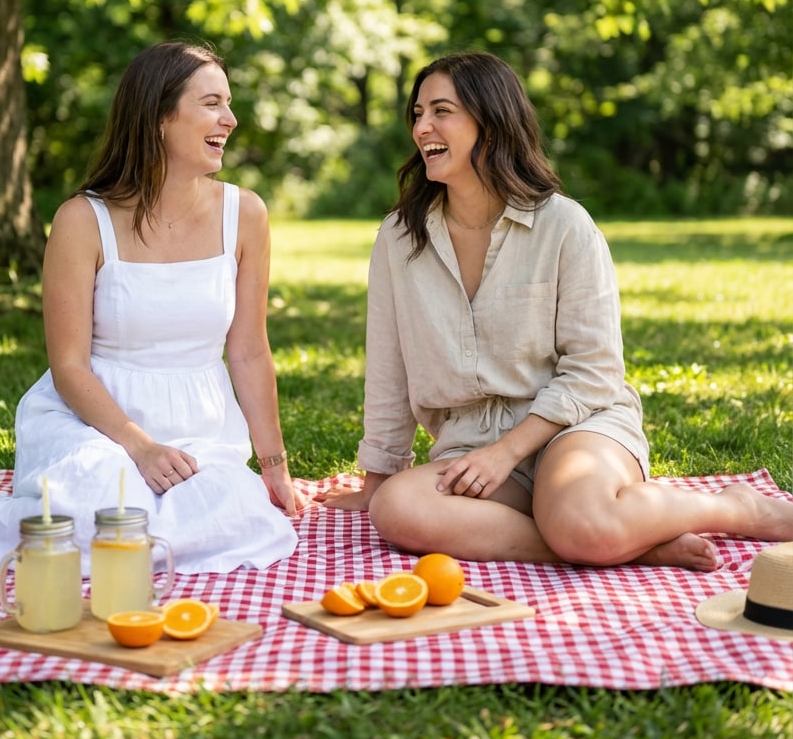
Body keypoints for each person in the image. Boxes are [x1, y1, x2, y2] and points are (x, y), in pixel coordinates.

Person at [321, 51, 793, 569]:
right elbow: (389, 370)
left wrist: (508, 453)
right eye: (417, 113)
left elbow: (596, 370)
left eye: (441, 111)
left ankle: (730, 508)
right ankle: (632, 545)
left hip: (577, 429)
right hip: (470, 444)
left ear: (492, 124)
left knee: (579, 518)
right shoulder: (398, 238)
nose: (421, 127)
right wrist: (378, 482)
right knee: (398, 509)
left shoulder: (564, 226)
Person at [0, 40, 303, 573]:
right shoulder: (81, 220)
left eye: (228, 103)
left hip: (199, 427)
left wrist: (274, 465)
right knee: (109, 513)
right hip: (93, 424)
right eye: (212, 103)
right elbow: (68, 365)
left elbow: (250, 351)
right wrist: (140, 449)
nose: (230, 119)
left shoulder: (245, 213)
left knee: (242, 517)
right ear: (160, 117)